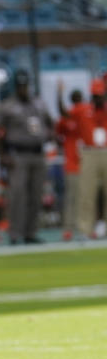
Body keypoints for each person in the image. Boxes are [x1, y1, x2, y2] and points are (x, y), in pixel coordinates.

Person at [0, 69, 52, 244]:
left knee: (36, 194)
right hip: (17, 154)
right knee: (18, 194)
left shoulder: (39, 103)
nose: (23, 89)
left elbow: (50, 122)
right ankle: (14, 233)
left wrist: (50, 134)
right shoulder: (7, 106)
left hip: (38, 152)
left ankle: (30, 232)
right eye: (20, 86)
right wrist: (2, 154)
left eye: (25, 86)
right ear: (15, 87)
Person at [75, 78, 107, 240]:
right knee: (87, 191)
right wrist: (59, 94)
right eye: (95, 95)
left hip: (106, 150)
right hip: (89, 152)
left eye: (100, 95)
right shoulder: (83, 109)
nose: (98, 98)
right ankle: (85, 229)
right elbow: (65, 114)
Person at [55, 81, 83, 240]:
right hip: (73, 163)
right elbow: (62, 116)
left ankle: (84, 226)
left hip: (85, 163)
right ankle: (69, 228)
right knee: (72, 197)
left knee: (84, 197)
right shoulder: (70, 116)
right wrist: (58, 95)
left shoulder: (86, 113)